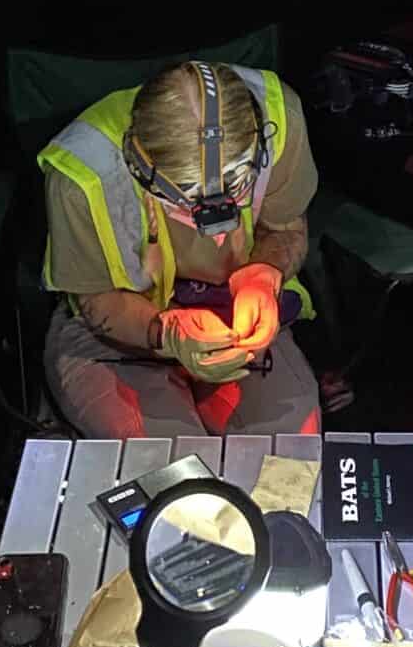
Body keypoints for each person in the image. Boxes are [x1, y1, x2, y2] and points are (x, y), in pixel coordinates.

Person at [40, 59, 321, 438]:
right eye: (187, 206)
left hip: (228, 311)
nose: (218, 236)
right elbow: (97, 302)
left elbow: (286, 229)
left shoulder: (279, 119)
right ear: (141, 167)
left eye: (237, 192)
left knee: (289, 448)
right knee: (170, 466)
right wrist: (166, 331)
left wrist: (263, 276)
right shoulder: (82, 176)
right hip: (115, 337)